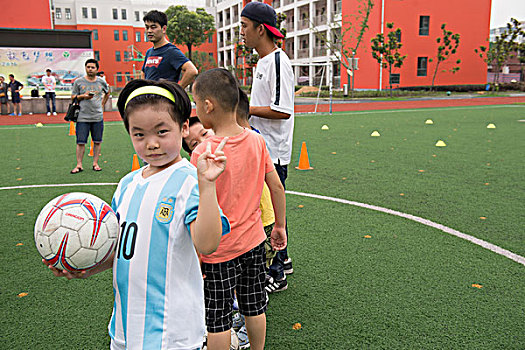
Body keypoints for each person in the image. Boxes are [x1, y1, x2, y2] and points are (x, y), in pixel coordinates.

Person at [45, 78, 231, 350]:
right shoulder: (127, 185)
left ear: (183, 128)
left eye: (162, 131)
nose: (151, 143)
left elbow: (207, 244)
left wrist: (207, 185)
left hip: (171, 329)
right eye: (139, 134)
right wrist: (87, 268)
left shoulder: (190, 180)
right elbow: (124, 252)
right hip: (124, 326)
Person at [190, 68, 286, 350]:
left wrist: (195, 253)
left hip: (218, 252)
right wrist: (279, 225)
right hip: (255, 243)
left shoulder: (203, 152)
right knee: (254, 307)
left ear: (208, 105)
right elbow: (276, 187)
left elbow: (197, 208)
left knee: (218, 319)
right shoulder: (256, 140)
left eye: (196, 104)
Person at [240, 1, 296, 293]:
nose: (241, 33)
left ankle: (276, 273)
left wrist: (244, 109)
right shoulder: (262, 61)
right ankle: (283, 260)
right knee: (270, 211)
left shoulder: (277, 61)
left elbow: (282, 109)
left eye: (244, 26)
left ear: (260, 29)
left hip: (273, 152)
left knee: (270, 213)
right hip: (261, 148)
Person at [70, 59, 110, 174]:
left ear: (97, 69)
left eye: (92, 67)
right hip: (82, 117)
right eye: (88, 67)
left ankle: (95, 163)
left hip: (97, 116)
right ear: (85, 68)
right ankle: (79, 165)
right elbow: (73, 97)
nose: (90, 69)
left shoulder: (101, 82)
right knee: (80, 142)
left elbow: (107, 92)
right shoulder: (79, 82)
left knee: (97, 141)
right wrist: (83, 96)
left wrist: (102, 104)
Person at [141, 10, 198, 88]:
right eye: (147, 27)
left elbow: (192, 71)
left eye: (153, 27)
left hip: (164, 99)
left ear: (164, 29)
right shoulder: (149, 52)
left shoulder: (171, 51)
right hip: (148, 98)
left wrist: (177, 91)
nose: (149, 31)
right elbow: (143, 73)